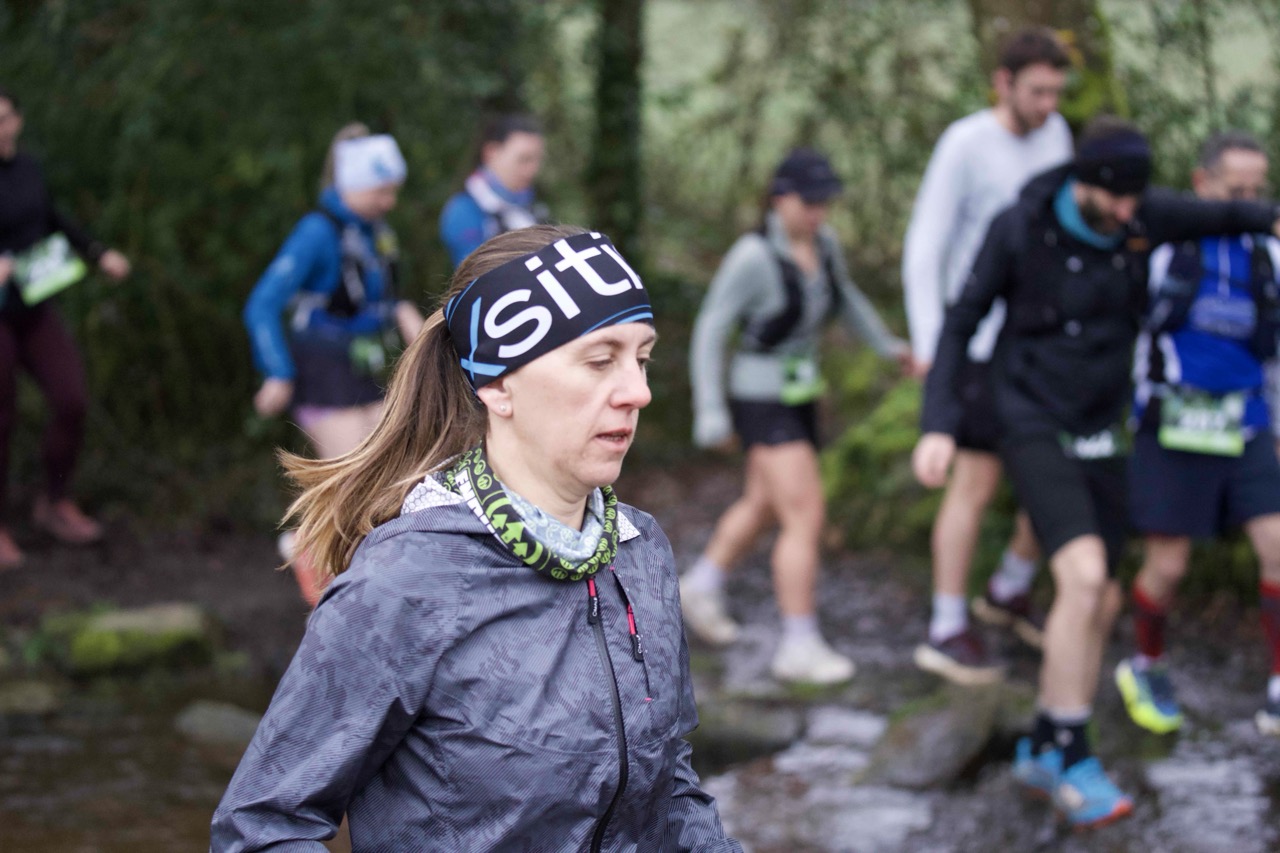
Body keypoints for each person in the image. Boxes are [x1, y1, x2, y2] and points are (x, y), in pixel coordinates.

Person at [211, 225, 742, 852]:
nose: (638, 392)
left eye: (642, 359)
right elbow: (261, 827)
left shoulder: (640, 550)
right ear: (497, 384)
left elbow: (671, 787)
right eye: (601, 361)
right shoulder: (408, 579)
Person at [913, 116, 1280, 828]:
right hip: (1029, 416)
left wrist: (1269, 216)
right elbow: (961, 321)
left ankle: (1045, 739)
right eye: (1114, 198)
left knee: (1102, 598)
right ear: (1085, 182)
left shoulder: (1140, 213)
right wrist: (939, 423)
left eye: (1136, 200)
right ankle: (1075, 754)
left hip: (1102, 427)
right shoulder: (1021, 226)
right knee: (1081, 578)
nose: (1125, 212)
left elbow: (1232, 213)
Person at [683, 148, 911, 685]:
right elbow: (711, 329)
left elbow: (846, 298)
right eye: (809, 203)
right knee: (805, 515)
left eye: (824, 203)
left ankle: (700, 586)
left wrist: (887, 346)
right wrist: (710, 409)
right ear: (780, 198)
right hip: (761, 399)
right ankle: (798, 643)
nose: (818, 213)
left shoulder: (825, 246)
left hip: (802, 393)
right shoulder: (752, 257)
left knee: (763, 503)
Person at [902, 27, 1073, 684]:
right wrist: (931, 346)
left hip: (1039, 345)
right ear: (1003, 83)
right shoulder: (965, 143)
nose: (1048, 106)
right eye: (1037, 92)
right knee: (973, 483)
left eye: (1056, 93)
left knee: (1055, 471)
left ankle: (1009, 588)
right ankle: (946, 624)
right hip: (974, 343)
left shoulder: (1057, 138)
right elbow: (926, 246)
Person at [1116, 130, 1280, 737]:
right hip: (1173, 423)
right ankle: (1146, 664)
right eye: (1236, 191)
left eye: (1257, 191)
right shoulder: (1163, 246)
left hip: (1247, 421)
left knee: (1277, 545)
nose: (1249, 203)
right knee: (1169, 564)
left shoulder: (1268, 256)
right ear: (1201, 184)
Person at [244, 130, 423, 605]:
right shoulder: (316, 232)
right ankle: (312, 555)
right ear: (354, 184)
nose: (390, 201)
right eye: (381, 191)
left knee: (394, 471)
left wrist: (403, 313)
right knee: (355, 477)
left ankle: (360, 577)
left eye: (393, 191)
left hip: (368, 365)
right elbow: (262, 304)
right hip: (321, 368)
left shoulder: (374, 231)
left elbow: (376, 295)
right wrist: (277, 371)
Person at [0, 85, 131, 567]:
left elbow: (52, 218)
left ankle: (53, 502)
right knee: (1, 415)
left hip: (34, 304)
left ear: (17, 121)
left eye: (3, 118)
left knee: (71, 398)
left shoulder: (28, 169)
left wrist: (97, 253)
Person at [439, 113, 547, 267]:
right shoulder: (464, 209)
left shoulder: (531, 207)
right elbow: (476, 274)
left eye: (537, 160)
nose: (532, 170)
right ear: (491, 153)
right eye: (523, 159)